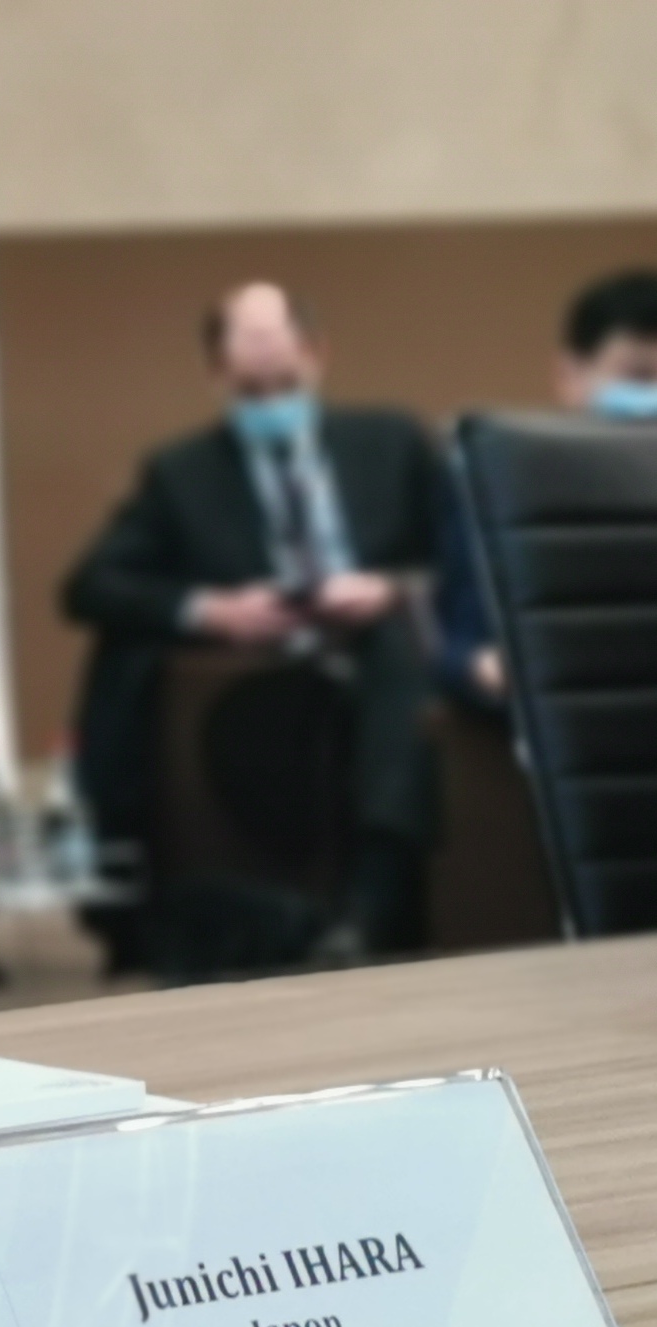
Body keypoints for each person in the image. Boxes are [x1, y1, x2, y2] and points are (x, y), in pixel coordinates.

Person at [62, 282, 448, 955]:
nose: (271, 402)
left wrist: (391, 588)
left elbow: (468, 552)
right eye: (250, 388)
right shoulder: (179, 472)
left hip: (379, 647)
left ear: (318, 356)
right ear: (216, 375)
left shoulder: (392, 442)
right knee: (127, 659)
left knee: (391, 642)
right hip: (261, 665)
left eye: (285, 382)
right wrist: (212, 609)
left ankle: (376, 897)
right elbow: (89, 586)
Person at [439, 265, 657, 703]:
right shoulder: (498, 484)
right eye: (638, 376)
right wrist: (482, 666)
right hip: (561, 703)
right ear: (569, 376)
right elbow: (458, 642)